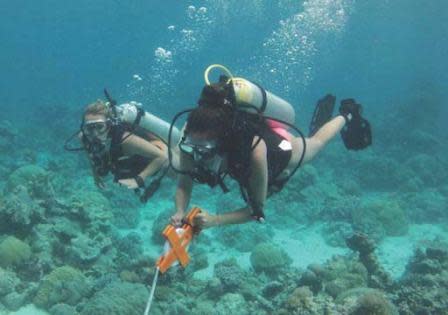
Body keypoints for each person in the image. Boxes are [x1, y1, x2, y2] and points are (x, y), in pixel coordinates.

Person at [170, 76, 371, 229]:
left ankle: (347, 113)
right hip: (245, 143)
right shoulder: (189, 139)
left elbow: (256, 211)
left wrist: (215, 220)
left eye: (204, 151)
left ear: (221, 144)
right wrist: (180, 211)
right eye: (191, 147)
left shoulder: (254, 150)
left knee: (313, 145)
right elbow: (184, 184)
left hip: (277, 148)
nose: (196, 156)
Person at [78, 99, 179, 201]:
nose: (95, 133)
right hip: (143, 157)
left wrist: (139, 179)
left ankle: (183, 142)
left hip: (161, 150)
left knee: (182, 174)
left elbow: (162, 157)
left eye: (100, 127)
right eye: (89, 128)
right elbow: (90, 155)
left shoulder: (125, 140)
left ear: (109, 125)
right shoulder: (84, 138)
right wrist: (96, 176)